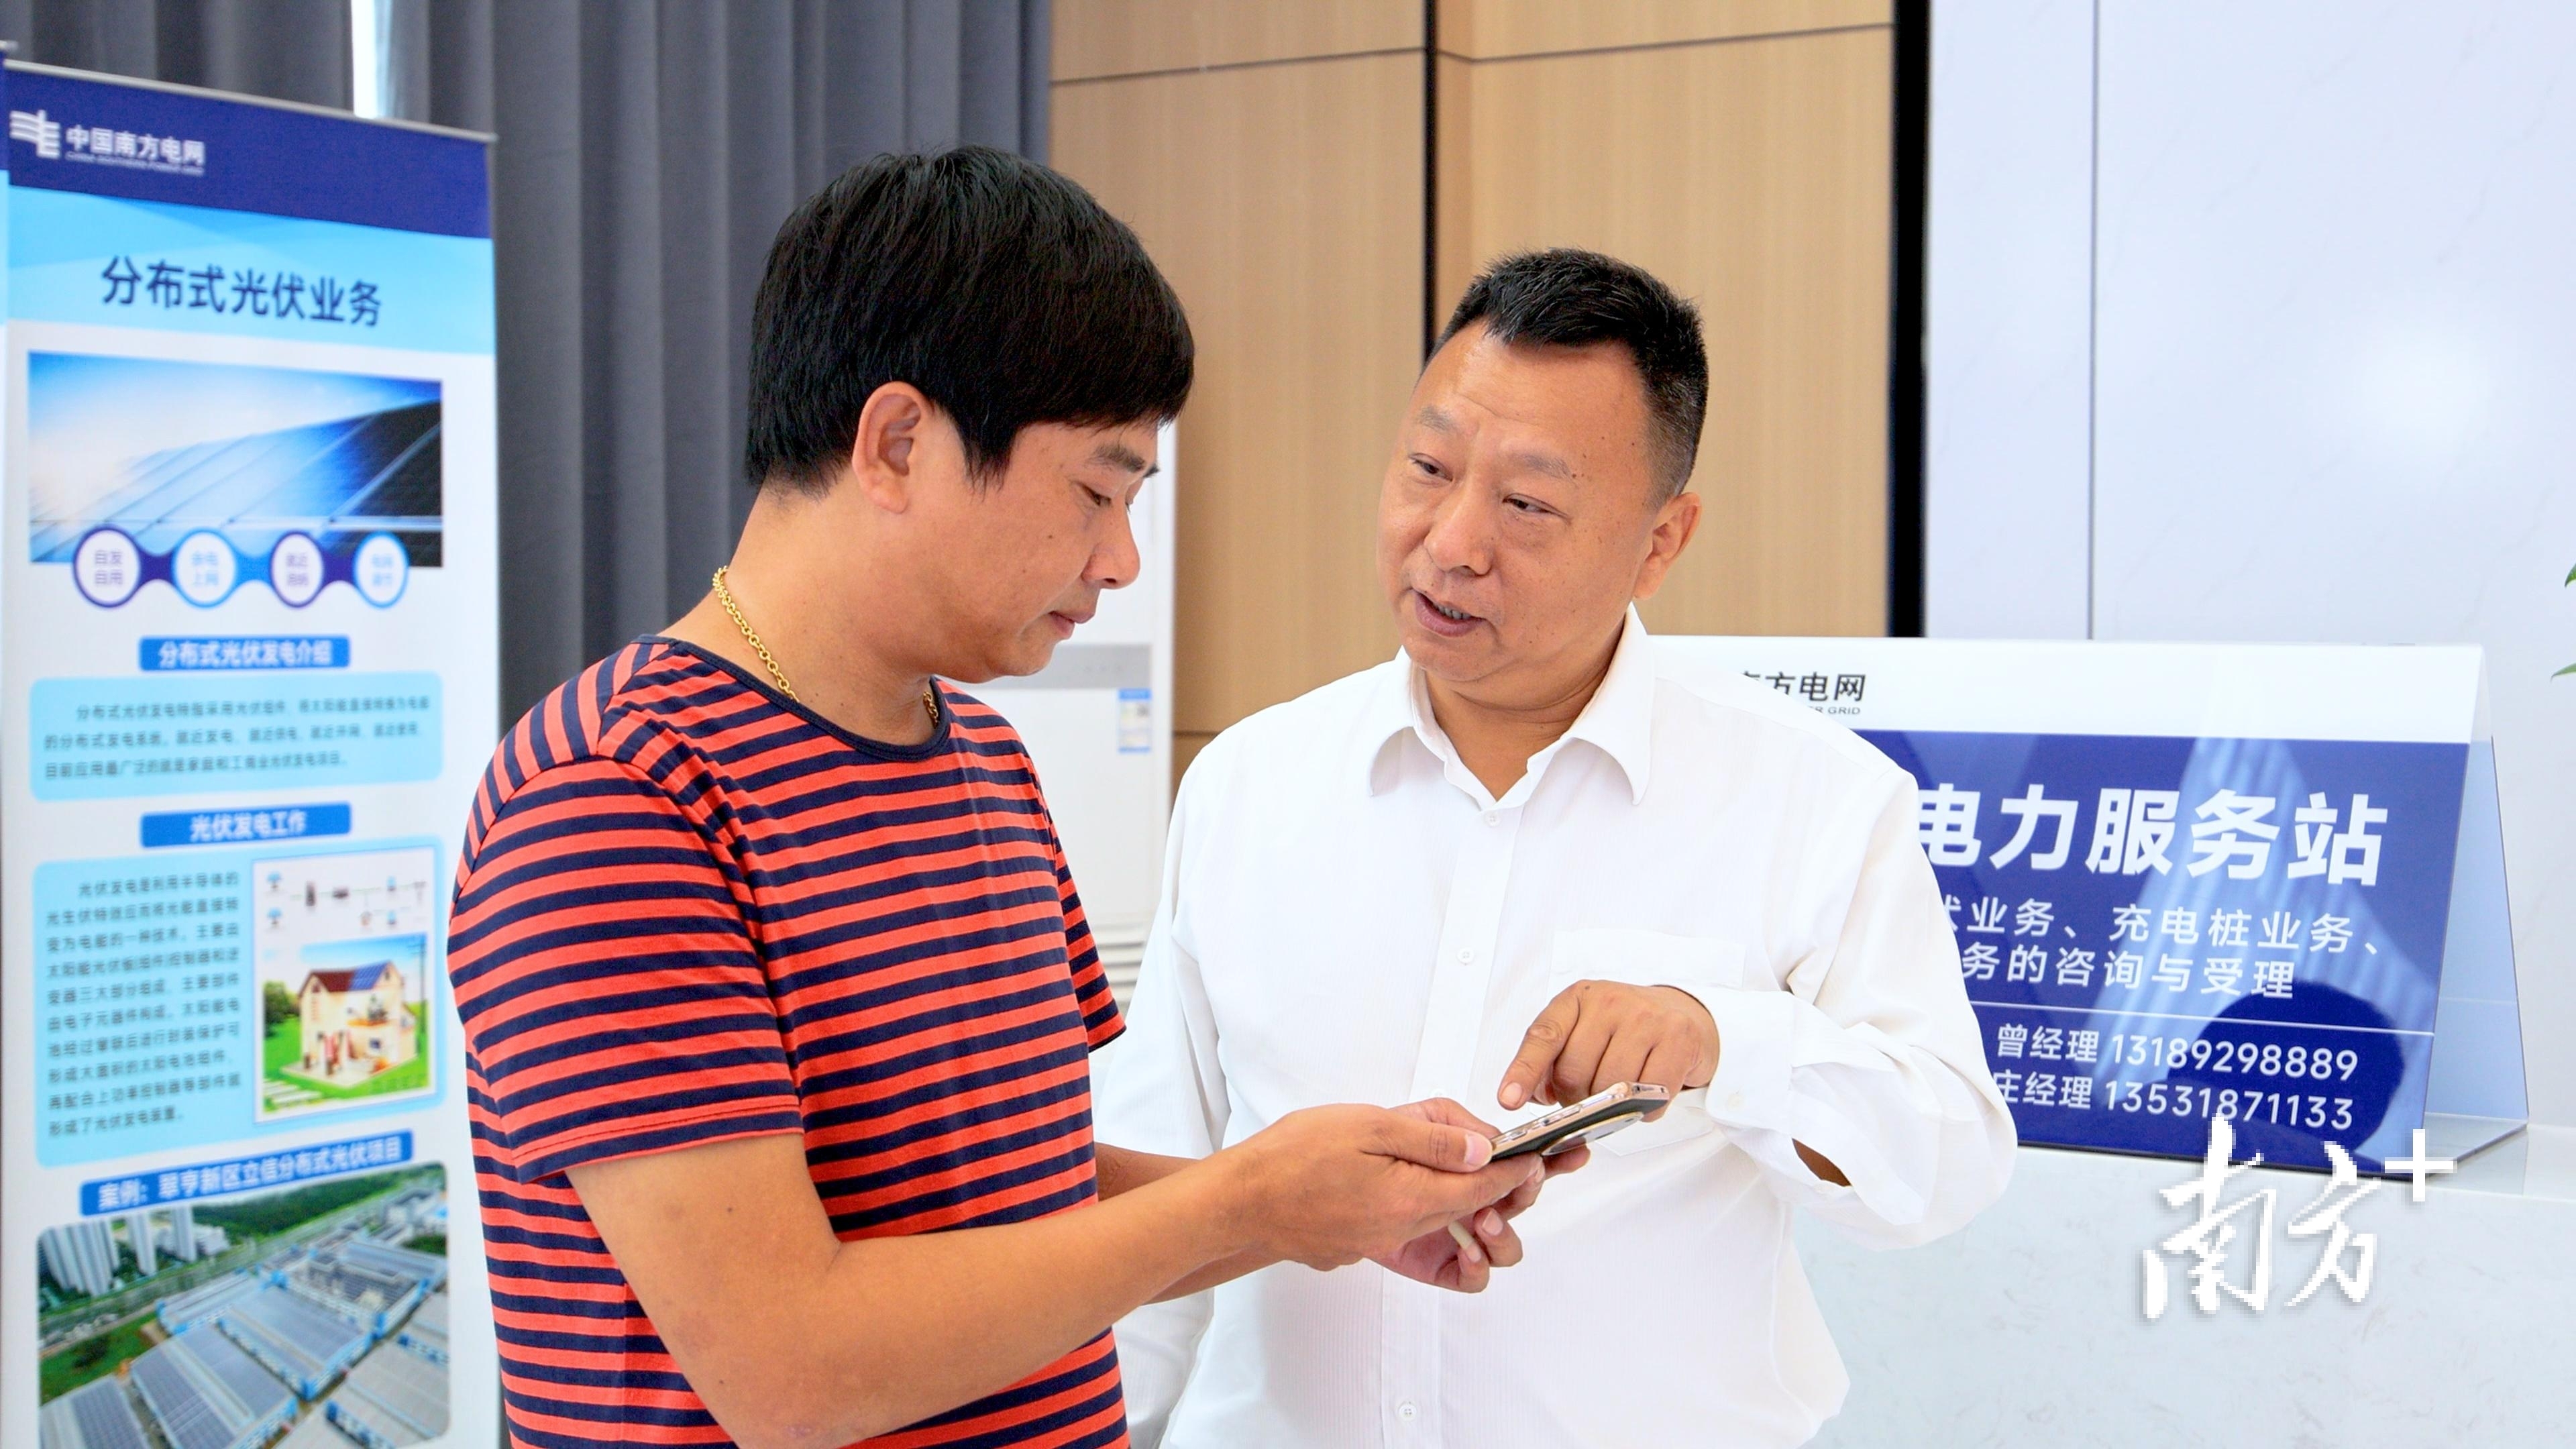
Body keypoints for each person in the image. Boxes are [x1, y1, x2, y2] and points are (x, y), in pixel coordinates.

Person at [445, 148, 1564, 1449]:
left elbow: (1014, 1191)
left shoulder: (980, 754)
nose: (1121, 558)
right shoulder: (616, 795)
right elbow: (790, 1371)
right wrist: (1248, 1201)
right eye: (1095, 491)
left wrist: (1325, 1209)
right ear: (899, 444)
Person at [1097, 248, 2018, 1447]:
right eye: (1428, 468)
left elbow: (1945, 1167)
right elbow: (1153, 1190)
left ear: (1660, 542)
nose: (1452, 542)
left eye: (1528, 506)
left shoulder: (1814, 797)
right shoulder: (1250, 782)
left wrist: (1727, 1041)